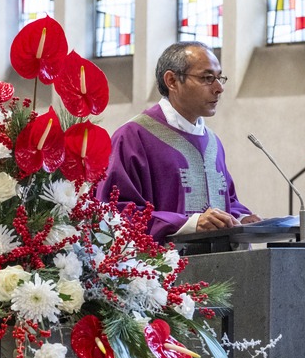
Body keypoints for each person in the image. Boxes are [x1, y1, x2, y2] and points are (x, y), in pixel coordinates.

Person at [97, 41, 261, 244]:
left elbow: (227, 200)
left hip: (222, 267)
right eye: (207, 78)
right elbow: (115, 212)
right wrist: (188, 224)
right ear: (172, 81)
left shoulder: (212, 142)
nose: (219, 88)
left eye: (220, 78)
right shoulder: (132, 137)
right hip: (160, 269)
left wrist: (242, 217)